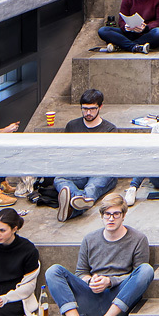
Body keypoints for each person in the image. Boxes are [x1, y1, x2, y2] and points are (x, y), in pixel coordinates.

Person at [42, 191, 154, 316]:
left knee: (146, 270)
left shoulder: (138, 239)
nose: (111, 218)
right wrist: (91, 281)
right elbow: (81, 273)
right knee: (53, 271)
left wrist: (110, 281)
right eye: (107, 214)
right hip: (90, 296)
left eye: (116, 214)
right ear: (101, 216)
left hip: (118, 299)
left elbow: (137, 275)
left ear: (123, 215)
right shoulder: (89, 239)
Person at [53, 89, 119, 222]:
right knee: (59, 179)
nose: (88, 113)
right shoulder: (72, 125)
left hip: (101, 171)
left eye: (92, 109)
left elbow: (112, 158)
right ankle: (79, 199)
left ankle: (72, 208)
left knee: (93, 187)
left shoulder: (110, 129)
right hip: (78, 169)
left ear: (100, 107)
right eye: (85, 109)